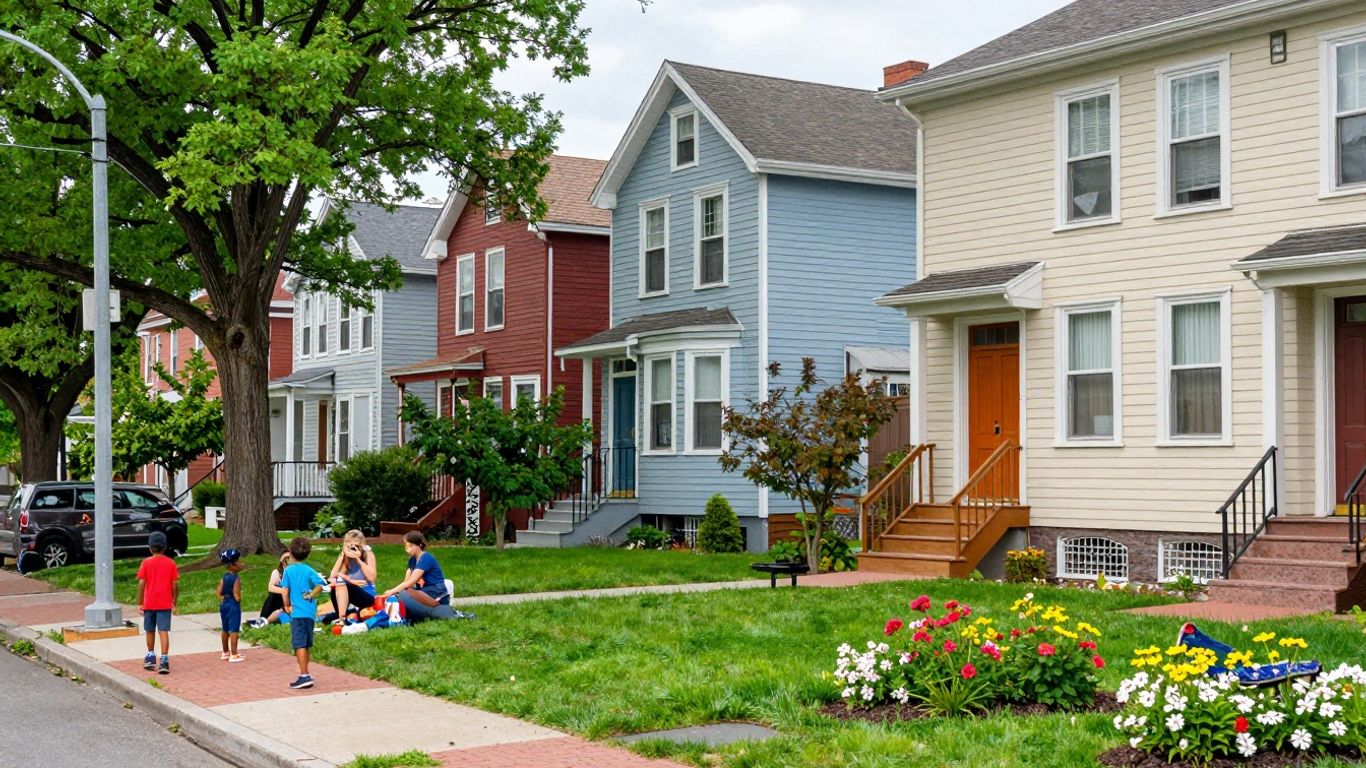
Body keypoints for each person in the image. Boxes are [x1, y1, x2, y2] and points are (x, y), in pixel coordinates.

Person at [280, 536, 326, 690]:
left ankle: (304, 675)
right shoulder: (309, 570)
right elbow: (320, 585)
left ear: (290, 553)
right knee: (306, 644)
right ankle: (306, 672)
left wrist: (286, 605)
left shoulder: (288, 571)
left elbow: (285, 590)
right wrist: (310, 595)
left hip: (297, 613)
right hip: (309, 612)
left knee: (299, 644)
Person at [380, 531, 451, 622]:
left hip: (436, 591)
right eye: (406, 546)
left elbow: (409, 583)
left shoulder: (426, 558)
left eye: (410, 546)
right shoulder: (412, 561)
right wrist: (394, 592)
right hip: (423, 592)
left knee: (404, 593)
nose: (407, 549)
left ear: (420, 545)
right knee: (403, 594)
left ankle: (433, 608)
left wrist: (391, 591)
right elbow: (406, 583)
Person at [136, 531, 179, 675]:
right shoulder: (171, 563)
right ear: (165, 547)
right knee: (163, 630)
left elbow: (142, 583)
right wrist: (174, 601)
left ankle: (150, 656)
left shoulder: (146, 563)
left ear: (150, 547)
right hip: (165, 603)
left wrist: (140, 602)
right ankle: (164, 659)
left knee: (149, 630)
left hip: (149, 603)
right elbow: (174, 585)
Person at [326, 530, 377, 624]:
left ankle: (343, 618)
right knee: (335, 585)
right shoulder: (347, 558)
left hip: (366, 593)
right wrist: (341, 557)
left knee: (342, 583)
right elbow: (332, 577)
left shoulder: (368, 554)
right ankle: (342, 616)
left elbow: (372, 578)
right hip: (351, 591)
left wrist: (358, 559)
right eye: (348, 543)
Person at [248, 551, 292, 629]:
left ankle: (277, 619)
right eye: (285, 560)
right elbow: (270, 587)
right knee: (273, 595)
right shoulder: (277, 573)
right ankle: (264, 619)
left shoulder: (295, 574)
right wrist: (283, 591)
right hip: (278, 601)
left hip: (290, 601)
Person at [217, 548, 245, 663]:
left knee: (225, 628)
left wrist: (222, 598)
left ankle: (225, 652)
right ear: (233, 565)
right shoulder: (236, 578)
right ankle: (234, 653)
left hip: (224, 604)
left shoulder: (224, 577)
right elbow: (236, 593)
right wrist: (238, 599)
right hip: (233, 605)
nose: (241, 563)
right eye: (238, 562)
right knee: (234, 629)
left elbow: (218, 592)